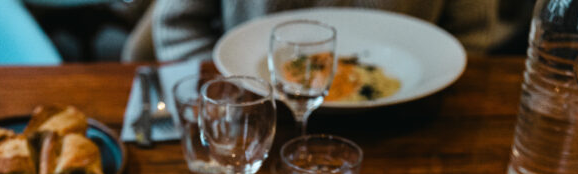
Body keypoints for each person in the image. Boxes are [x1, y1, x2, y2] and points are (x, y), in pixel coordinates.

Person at [150, 0, 533, 61]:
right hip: (264, 125)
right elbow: (177, 24)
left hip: (406, 130)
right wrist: (231, 99)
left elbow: (471, 34)